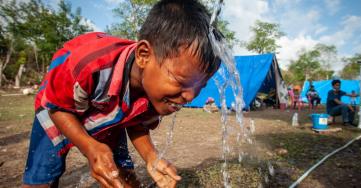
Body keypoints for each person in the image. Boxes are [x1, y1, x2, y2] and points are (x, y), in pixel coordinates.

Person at [22, 0, 223, 187]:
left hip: (111, 116)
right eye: (181, 81)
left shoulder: (159, 94)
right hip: (60, 110)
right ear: (144, 56)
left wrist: (151, 157)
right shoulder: (90, 65)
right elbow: (58, 109)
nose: (190, 96)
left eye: (200, 86)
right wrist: (90, 147)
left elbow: (137, 124)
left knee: (123, 175)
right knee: (42, 176)